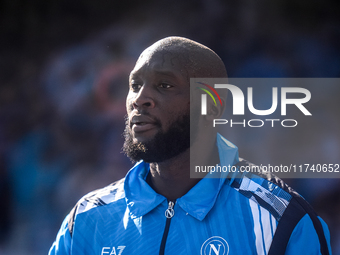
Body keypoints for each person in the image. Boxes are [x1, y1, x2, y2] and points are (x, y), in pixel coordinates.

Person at [49, 36, 332, 255]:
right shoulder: (87, 219)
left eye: (164, 85)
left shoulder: (282, 219)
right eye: (135, 85)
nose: (139, 99)